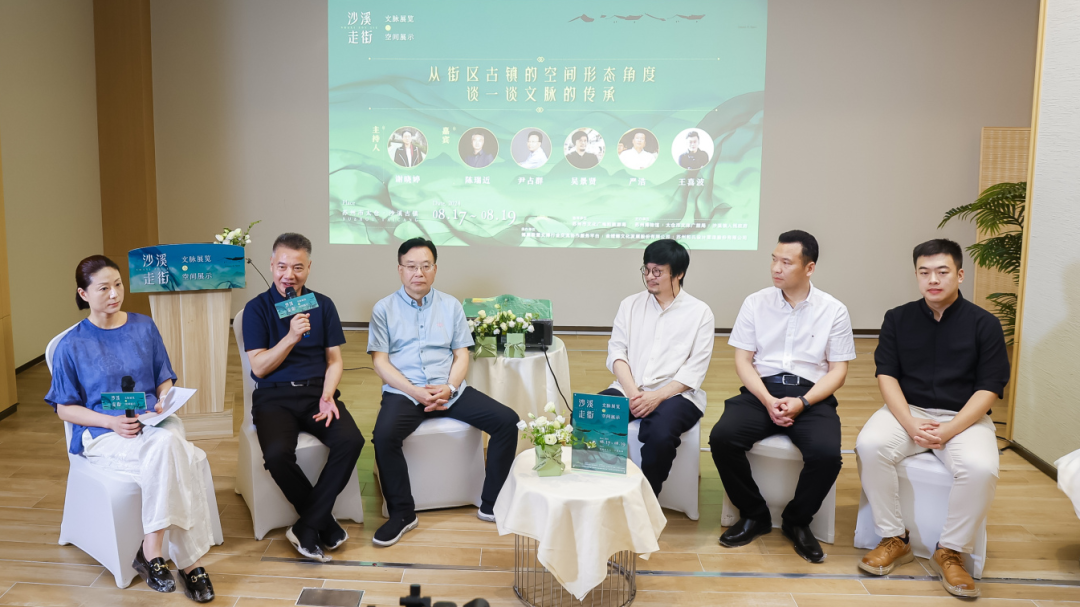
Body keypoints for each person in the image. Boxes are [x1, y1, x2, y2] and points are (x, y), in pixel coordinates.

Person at [46, 255, 215, 603]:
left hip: (155, 423)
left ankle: (150, 550)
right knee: (174, 452)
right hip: (105, 434)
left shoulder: (143, 326)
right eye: (103, 288)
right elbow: (64, 408)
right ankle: (189, 562)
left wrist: (163, 400)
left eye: (118, 284)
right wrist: (111, 421)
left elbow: (163, 377)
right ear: (83, 293)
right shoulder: (71, 345)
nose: (114, 294)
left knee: (167, 442)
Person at [855, 239, 1009, 598]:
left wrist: (950, 429)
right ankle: (895, 537)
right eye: (924, 273)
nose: (933, 280)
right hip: (909, 411)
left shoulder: (984, 324)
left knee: (982, 468)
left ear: (960, 274)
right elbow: (886, 375)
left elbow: (990, 386)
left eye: (942, 272)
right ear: (916, 276)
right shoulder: (898, 318)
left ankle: (951, 551)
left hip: (963, 417)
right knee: (869, 445)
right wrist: (909, 423)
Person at [709, 230, 855, 563]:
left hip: (811, 395)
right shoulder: (755, 302)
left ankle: (797, 520)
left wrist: (803, 403)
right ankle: (754, 514)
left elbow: (838, 371)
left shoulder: (833, 310)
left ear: (809, 268)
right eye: (774, 259)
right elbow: (743, 361)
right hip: (762, 390)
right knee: (722, 438)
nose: (776, 268)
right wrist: (766, 399)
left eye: (786, 262)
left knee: (827, 455)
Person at [368, 237, 519, 547]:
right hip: (405, 392)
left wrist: (449, 388)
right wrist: (415, 391)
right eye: (411, 266)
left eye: (426, 266)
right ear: (400, 269)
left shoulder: (451, 305)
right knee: (383, 436)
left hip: (449, 390)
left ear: (435, 269)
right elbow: (380, 362)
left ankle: (491, 503)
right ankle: (402, 514)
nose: (418, 273)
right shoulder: (383, 309)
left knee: (507, 421)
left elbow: (462, 354)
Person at [242, 233, 365, 562]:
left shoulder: (323, 305)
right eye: (282, 266)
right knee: (277, 455)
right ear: (272, 265)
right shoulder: (256, 309)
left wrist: (327, 395)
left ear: (309, 268)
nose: (289, 275)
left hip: (316, 394)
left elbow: (334, 360)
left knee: (351, 441)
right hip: (273, 397)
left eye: (297, 267)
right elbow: (259, 367)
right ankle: (322, 521)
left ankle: (307, 525)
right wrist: (291, 337)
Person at [603, 240, 714, 496]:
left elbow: (695, 368)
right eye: (646, 269)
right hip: (630, 388)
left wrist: (657, 396)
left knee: (659, 435)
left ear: (679, 273)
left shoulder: (700, 313)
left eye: (658, 271)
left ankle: (645, 499)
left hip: (676, 395)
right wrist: (634, 394)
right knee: (590, 418)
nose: (649, 277)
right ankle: (605, 493)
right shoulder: (630, 305)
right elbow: (617, 352)